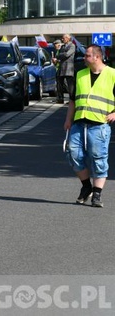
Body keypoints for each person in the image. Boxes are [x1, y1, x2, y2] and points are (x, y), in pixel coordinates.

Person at [63, 45, 115, 208]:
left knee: (98, 159)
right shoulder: (80, 74)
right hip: (79, 122)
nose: (83, 58)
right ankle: (86, 187)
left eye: (86, 56)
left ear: (97, 57)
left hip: (100, 123)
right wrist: (68, 120)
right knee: (73, 154)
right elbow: (73, 100)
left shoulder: (112, 74)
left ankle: (97, 194)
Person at [53, 34, 75, 103]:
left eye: (63, 38)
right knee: (59, 84)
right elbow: (61, 55)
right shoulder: (62, 46)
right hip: (61, 68)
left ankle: (72, 99)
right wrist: (57, 60)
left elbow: (67, 54)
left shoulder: (72, 46)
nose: (62, 40)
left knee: (70, 86)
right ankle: (60, 98)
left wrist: (59, 56)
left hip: (69, 68)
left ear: (68, 38)